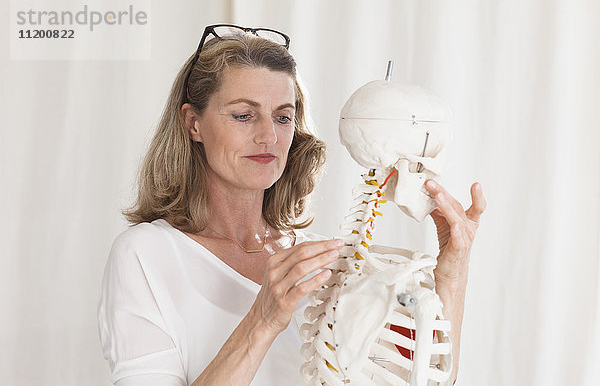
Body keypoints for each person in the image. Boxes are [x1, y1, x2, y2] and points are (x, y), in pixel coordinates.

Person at [97, 24, 486, 386]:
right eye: (244, 115)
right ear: (193, 123)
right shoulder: (147, 255)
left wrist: (452, 271)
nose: (268, 135)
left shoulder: (322, 261)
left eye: (283, 117)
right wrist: (263, 319)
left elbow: (422, 377)